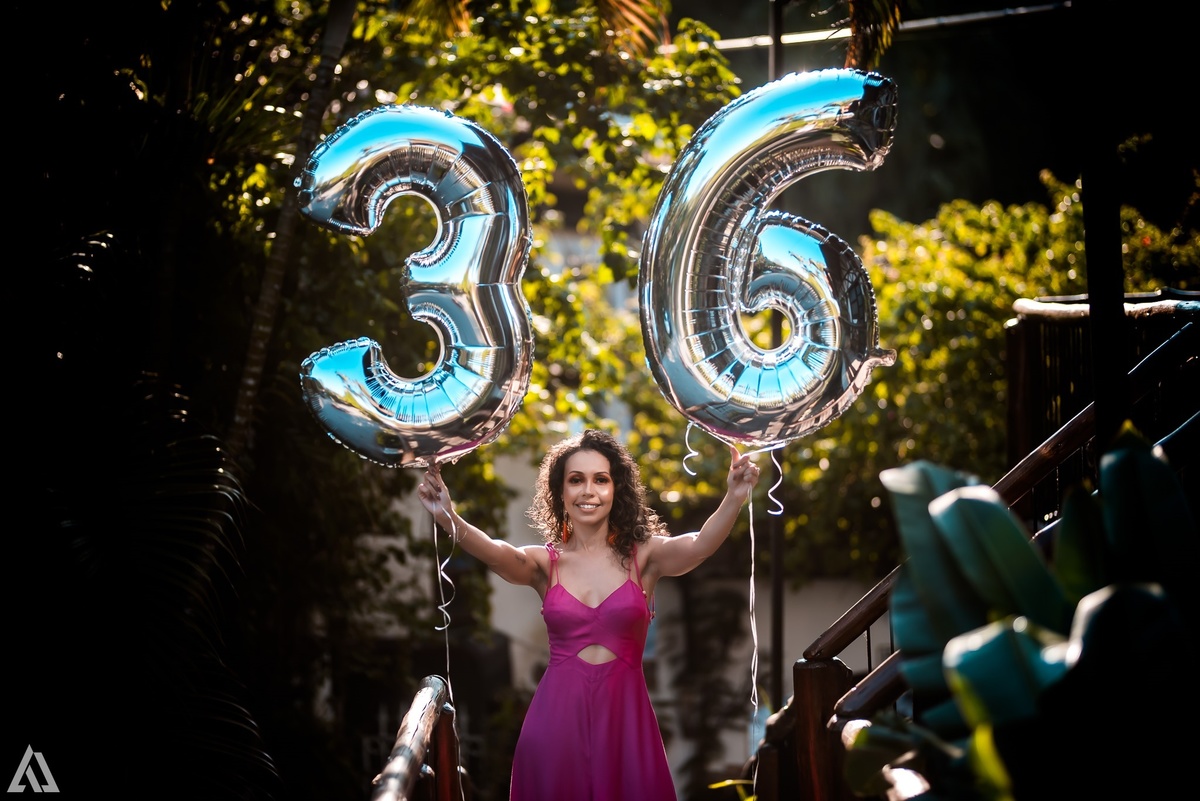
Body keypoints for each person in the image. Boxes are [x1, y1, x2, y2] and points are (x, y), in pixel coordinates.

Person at [417, 428, 761, 801]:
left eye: (601, 479)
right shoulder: (543, 564)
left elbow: (698, 546)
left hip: (627, 725)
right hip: (555, 724)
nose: (588, 491)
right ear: (561, 492)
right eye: (576, 480)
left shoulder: (644, 556)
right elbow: (496, 552)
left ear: (617, 489)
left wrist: (734, 496)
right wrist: (447, 515)